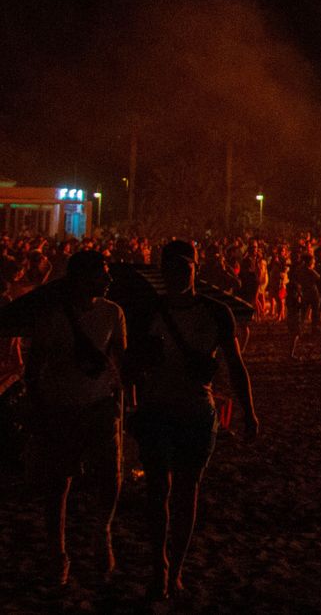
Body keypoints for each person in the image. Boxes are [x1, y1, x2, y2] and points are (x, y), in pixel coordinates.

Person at [130, 240, 259, 602]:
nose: (176, 276)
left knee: (187, 491)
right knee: (158, 492)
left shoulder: (216, 312)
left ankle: (177, 568)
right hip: (157, 408)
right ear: (162, 271)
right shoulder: (147, 312)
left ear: (195, 271)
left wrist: (249, 411)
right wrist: (134, 401)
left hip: (195, 410)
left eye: (184, 269)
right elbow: (131, 366)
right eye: (171, 269)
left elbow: (236, 364)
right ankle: (161, 566)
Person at [23, 249, 125, 587]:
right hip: (61, 406)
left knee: (111, 474)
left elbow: (119, 361)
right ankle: (58, 553)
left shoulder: (113, 313)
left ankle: (103, 531)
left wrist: (124, 401)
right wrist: (38, 408)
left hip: (99, 405)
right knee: (59, 483)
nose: (109, 279)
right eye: (102, 273)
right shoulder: (51, 316)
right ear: (80, 278)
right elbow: (34, 366)